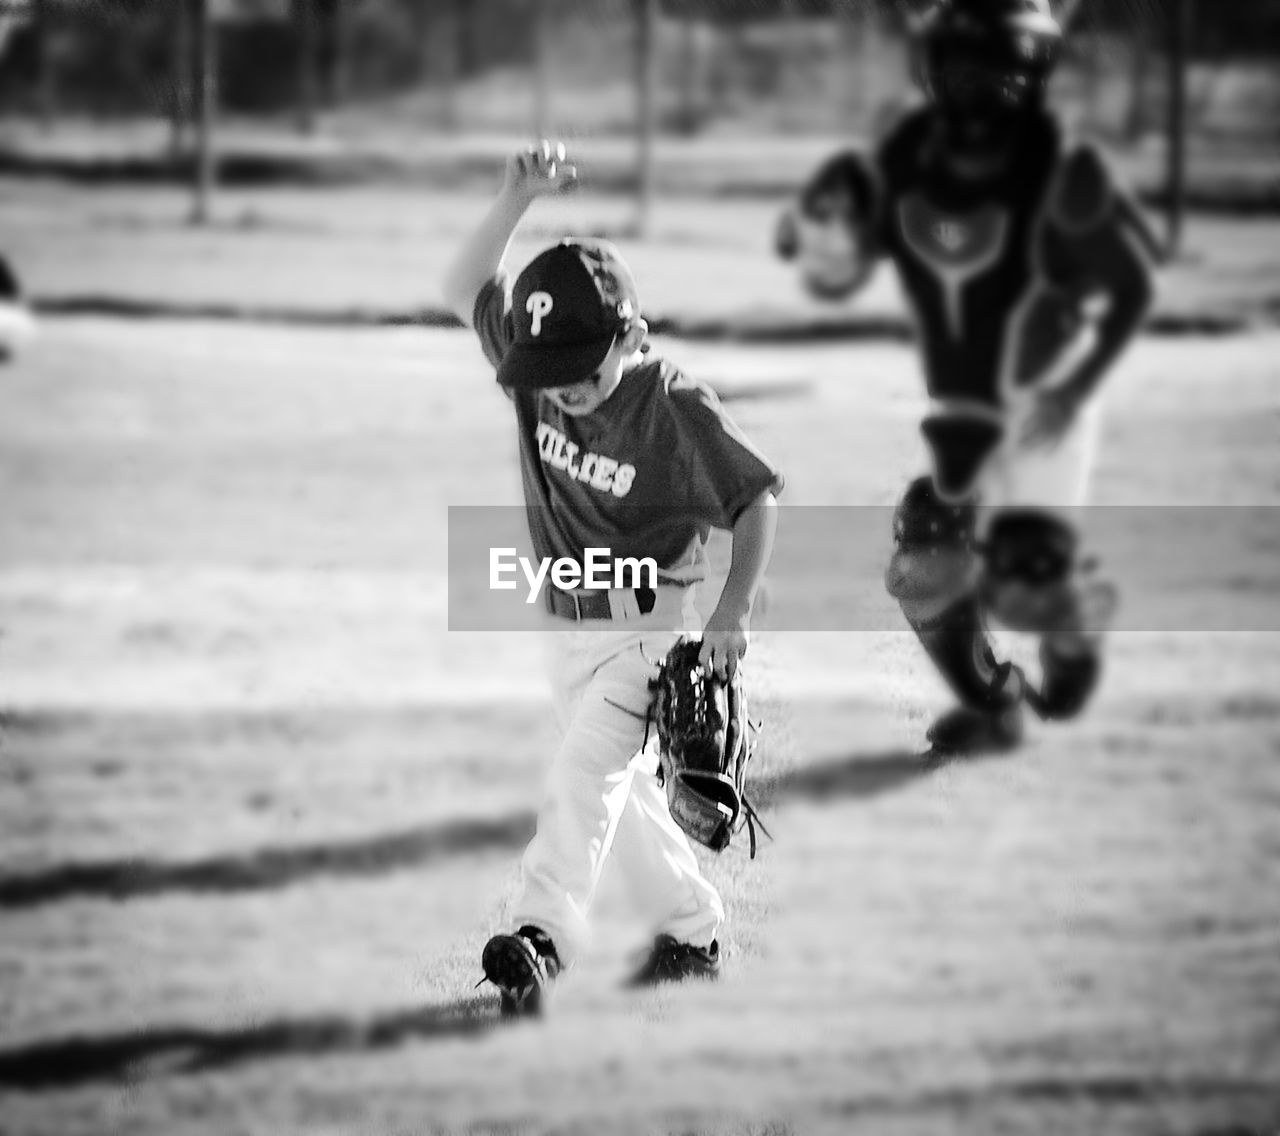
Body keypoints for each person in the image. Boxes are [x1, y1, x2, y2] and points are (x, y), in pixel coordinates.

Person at [442, 140, 783, 1016]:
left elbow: (755, 501)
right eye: (545, 376)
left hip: (648, 627)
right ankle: (697, 929)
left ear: (631, 335)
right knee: (616, 792)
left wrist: (730, 615)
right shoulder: (537, 373)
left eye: (583, 372)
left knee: (580, 776)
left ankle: (540, 936)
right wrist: (515, 195)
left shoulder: (673, 406)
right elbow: (461, 288)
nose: (563, 392)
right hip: (561, 623)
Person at [777, 0, 1159, 757]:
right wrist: (825, 246)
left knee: (1024, 578)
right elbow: (847, 260)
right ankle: (994, 703)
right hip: (966, 401)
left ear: (1032, 73)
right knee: (927, 549)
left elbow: (1132, 287)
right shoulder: (911, 156)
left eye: (996, 75)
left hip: (1046, 393)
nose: (976, 92)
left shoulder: (1061, 172)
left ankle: (1067, 618)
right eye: (961, 70)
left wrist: (1074, 389)